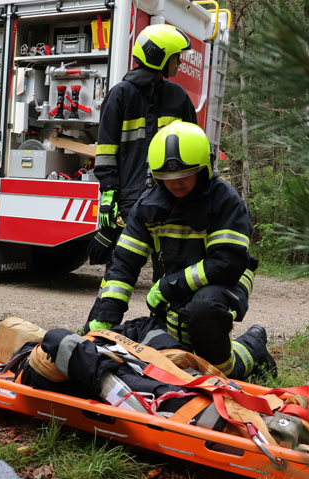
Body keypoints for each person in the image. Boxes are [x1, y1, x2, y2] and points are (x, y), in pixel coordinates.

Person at [86, 121, 276, 380]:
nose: (176, 183)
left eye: (185, 175)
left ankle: (254, 348)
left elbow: (227, 263)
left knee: (215, 364)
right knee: (179, 358)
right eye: (167, 177)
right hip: (177, 281)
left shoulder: (224, 201)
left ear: (204, 168)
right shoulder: (148, 206)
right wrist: (103, 320)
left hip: (227, 278)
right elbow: (123, 266)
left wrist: (168, 287)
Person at [87, 24, 198, 321]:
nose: (180, 62)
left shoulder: (178, 97)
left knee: (171, 273)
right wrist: (109, 196)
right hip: (129, 202)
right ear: (158, 57)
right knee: (119, 273)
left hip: (169, 200)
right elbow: (107, 150)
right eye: (176, 57)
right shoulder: (120, 95)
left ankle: (168, 335)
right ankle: (97, 330)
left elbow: (194, 148)